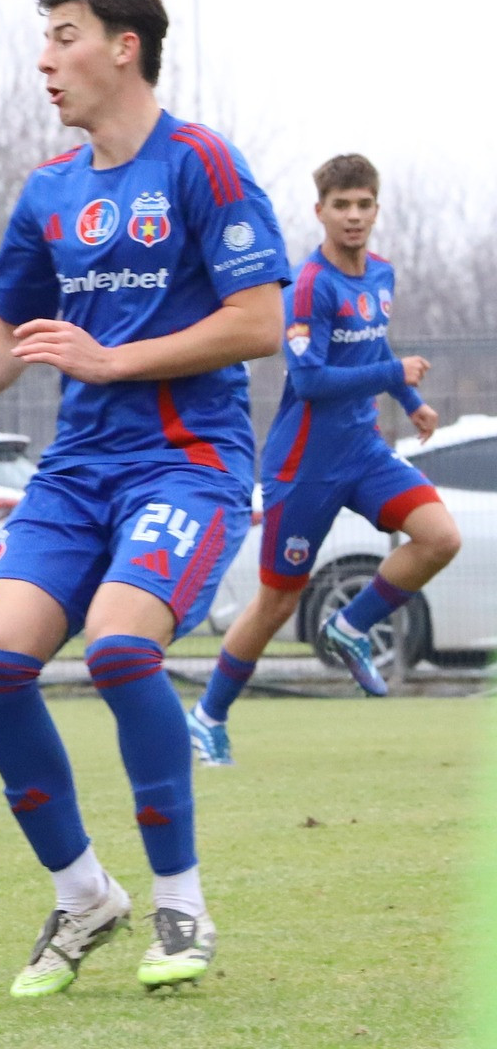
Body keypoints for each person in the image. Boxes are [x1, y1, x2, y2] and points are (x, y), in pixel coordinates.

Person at [0, 0, 287, 995]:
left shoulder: (200, 164)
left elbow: (259, 322)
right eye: (44, 40)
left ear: (124, 46)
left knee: (120, 648)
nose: (44, 60)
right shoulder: (49, 190)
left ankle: (182, 908)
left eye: (64, 36)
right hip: (77, 471)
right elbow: (9, 327)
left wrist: (115, 360)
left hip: (188, 461)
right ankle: (83, 896)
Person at [188, 154, 461, 762]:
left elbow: (374, 344)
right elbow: (309, 381)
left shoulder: (382, 275)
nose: (354, 216)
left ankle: (350, 625)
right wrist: (395, 372)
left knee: (440, 537)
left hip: (363, 451)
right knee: (277, 602)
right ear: (321, 212)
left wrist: (408, 399)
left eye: (364, 204)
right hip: (304, 466)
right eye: (342, 205)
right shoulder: (307, 285)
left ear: (376, 209)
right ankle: (207, 715)